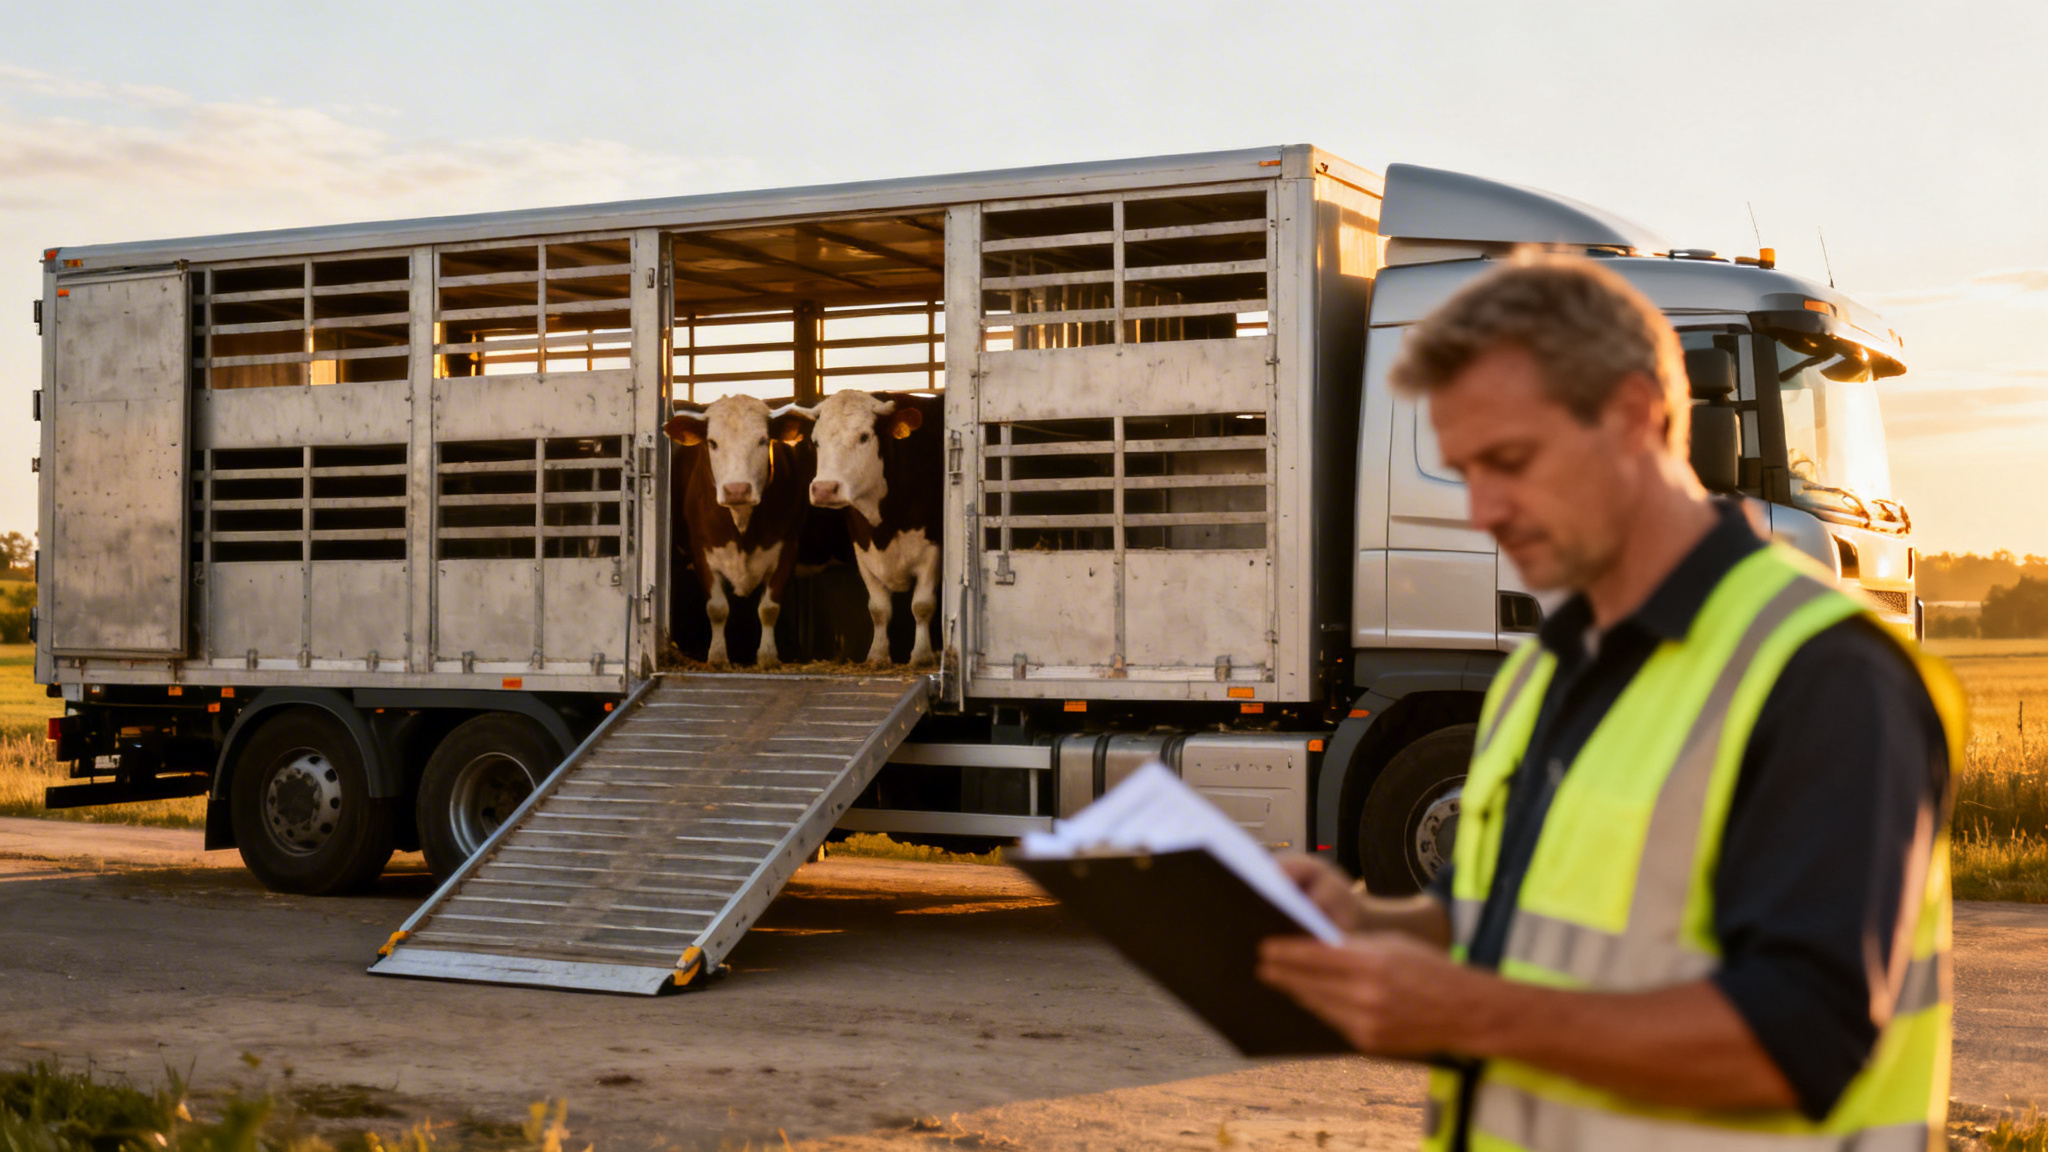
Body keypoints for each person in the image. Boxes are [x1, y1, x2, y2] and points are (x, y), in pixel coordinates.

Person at [1257, 251, 1962, 1151]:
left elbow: (1804, 1040)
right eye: (1466, 469)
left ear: (1634, 414)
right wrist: (1368, 922)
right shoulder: (1549, 670)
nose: (1484, 509)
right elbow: (1517, 916)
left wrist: (1478, 1016)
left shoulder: (1824, 673)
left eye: (1510, 459)